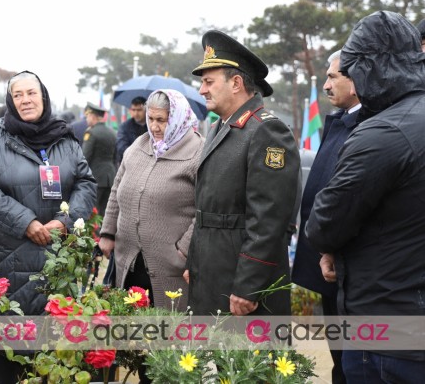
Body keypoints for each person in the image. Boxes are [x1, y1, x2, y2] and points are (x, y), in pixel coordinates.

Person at [306, 11, 425, 381]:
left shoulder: (381, 134)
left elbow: (324, 226)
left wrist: (330, 248)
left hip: (386, 332)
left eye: (354, 69)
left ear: (372, 68)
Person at [0, 71, 96, 384]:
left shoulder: (64, 138)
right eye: (18, 95)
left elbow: (86, 182)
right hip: (8, 257)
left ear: (44, 96)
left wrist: (65, 221)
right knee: (9, 344)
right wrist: (26, 222)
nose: (25, 100)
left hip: (58, 257)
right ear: (10, 101)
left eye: (31, 93)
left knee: (55, 349)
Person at [184, 30, 300, 317]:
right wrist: (194, 262)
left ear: (236, 83)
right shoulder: (220, 127)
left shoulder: (266, 130)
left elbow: (268, 219)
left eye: (209, 82)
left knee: (247, 360)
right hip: (213, 269)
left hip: (242, 279)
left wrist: (249, 285)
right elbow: (208, 209)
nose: (202, 90)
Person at [99, 89, 203, 311]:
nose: (154, 127)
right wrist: (108, 233)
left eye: (161, 120)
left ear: (177, 118)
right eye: (150, 119)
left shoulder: (199, 152)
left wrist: (182, 250)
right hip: (128, 258)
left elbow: (205, 208)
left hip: (169, 265)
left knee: (164, 332)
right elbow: (117, 188)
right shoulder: (138, 145)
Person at [291, 50, 359, 384]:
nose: (327, 85)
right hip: (325, 262)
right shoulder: (341, 121)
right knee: (338, 356)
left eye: (333, 77)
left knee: (350, 360)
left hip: (346, 263)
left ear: (357, 81)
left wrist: (331, 247)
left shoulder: (367, 124)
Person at [82, 102, 117, 215]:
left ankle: (96, 233)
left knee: (93, 213)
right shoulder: (113, 132)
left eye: (87, 116)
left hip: (95, 177)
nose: (86, 119)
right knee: (106, 213)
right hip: (110, 177)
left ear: (92, 116)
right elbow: (116, 157)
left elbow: (85, 157)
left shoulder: (91, 132)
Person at [115, 96, 148, 165]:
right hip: (129, 163)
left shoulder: (151, 126)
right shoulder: (124, 127)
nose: (136, 113)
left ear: (146, 110)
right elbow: (121, 147)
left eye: (139, 110)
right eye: (133, 110)